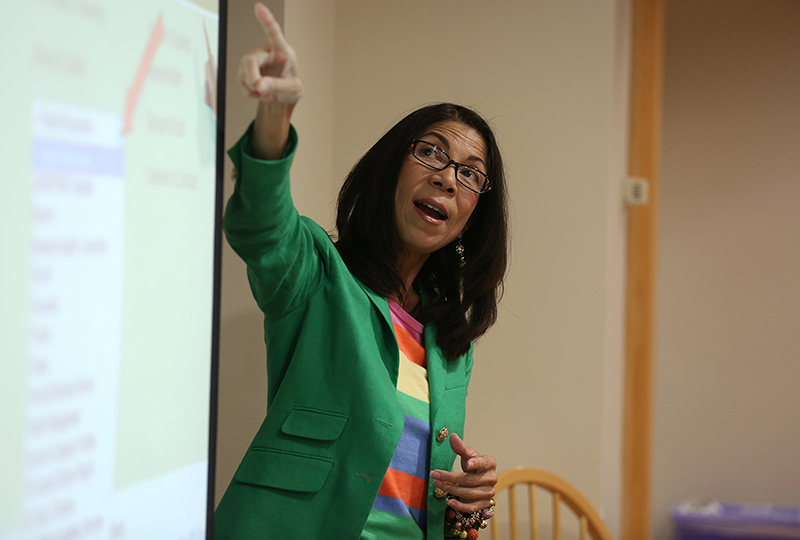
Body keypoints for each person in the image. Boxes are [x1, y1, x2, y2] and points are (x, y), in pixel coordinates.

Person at [214, 4, 508, 539]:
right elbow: (261, 224)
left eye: (470, 175)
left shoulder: (452, 347)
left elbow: (413, 493)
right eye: (431, 154)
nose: (447, 179)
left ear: (469, 219)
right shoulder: (317, 274)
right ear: (390, 169)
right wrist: (275, 118)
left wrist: (467, 502)